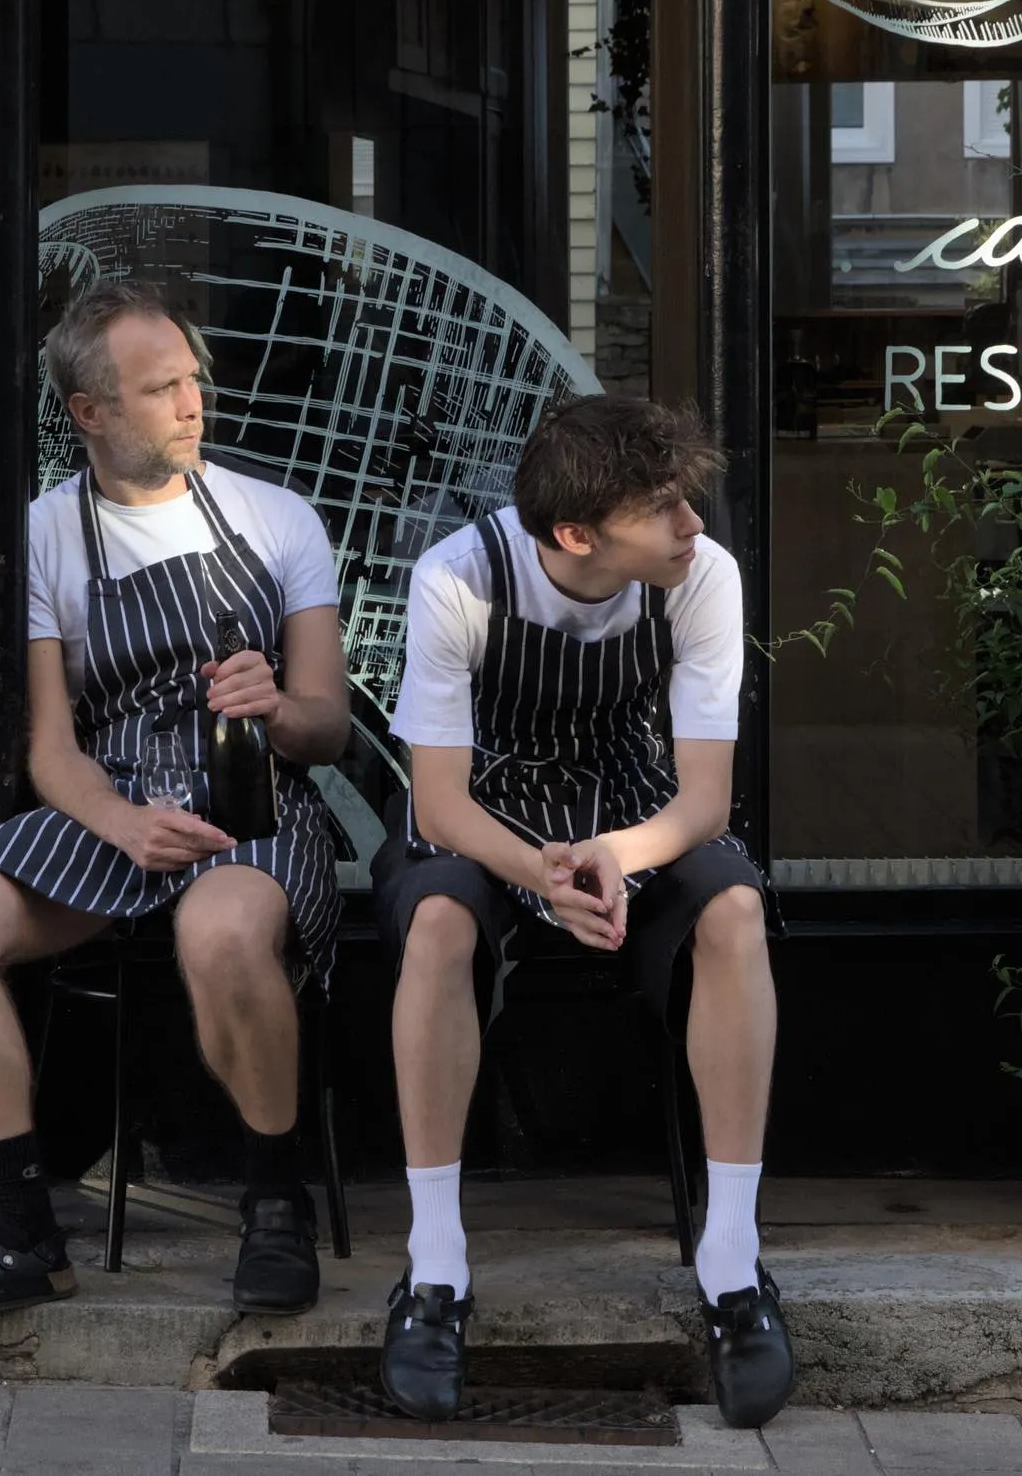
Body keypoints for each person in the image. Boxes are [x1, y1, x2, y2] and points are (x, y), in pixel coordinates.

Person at [0, 281, 350, 1322]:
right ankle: (20, 1232)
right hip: (118, 800)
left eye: (193, 380)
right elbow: (51, 749)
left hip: (253, 808)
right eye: (160, 388)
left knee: (226, 932)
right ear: (90, 413)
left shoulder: (277, 520)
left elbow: (330, 728)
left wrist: (278, 709)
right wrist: (122, 823)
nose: (193, 404)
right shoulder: (44, 533)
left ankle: (274, 1202)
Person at [371, 393, 793, 1429]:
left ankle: (733, 1264)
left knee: (734, 907)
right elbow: (435, 801)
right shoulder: (456, 577)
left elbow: (703, 801)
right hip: (486, 811)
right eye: (666, 509)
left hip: (633, 807)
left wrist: (614, 854)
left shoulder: (704, 578)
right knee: (435, 925)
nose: (694, 525)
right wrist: (541, 874)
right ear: (576, 535)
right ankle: (435, 1270)